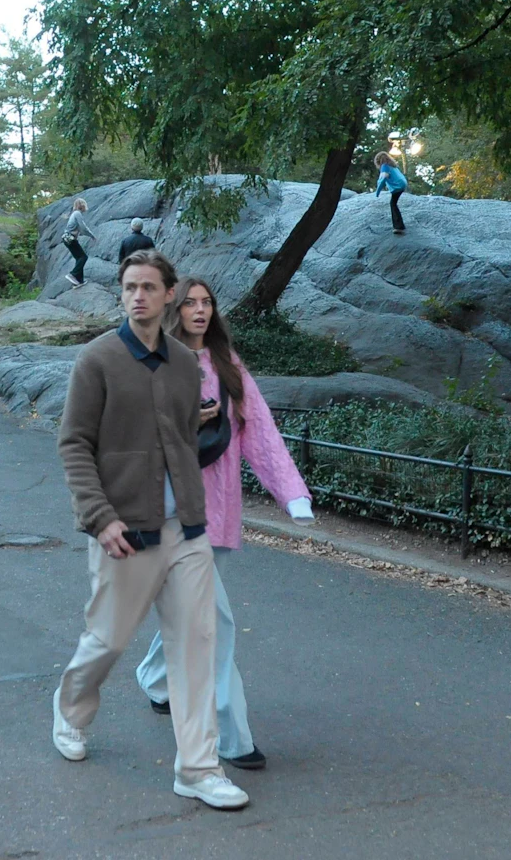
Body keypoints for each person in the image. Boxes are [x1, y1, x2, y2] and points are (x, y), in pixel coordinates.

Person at [51, 249, 248, 811]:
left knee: (196, 645)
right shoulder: (97, 360)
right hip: (124, 533)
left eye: (148, 287)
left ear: (168, 297)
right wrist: (100, 516)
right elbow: (74, 444)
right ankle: (70, 711)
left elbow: (184, 438)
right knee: (108, 640)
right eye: (129, 286)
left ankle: (198, 768)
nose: (138, 295)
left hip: (186, 531)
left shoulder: (188, 365)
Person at [134, 277, 315, 773]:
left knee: (192, 610)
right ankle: (232, 735)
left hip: (216, 512)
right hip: (168, 512)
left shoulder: (229, 367)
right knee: (216, 621)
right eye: (189, 302)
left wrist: (292, 493)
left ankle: (154, 678)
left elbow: (261, 434)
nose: (198, 310)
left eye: (206, 302)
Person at [62, 197, 94, 286]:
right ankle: (72, 274)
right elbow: (83, 228)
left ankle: (79, 281)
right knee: (84, 257)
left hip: (67, 238)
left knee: (79, 258)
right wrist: (92, 236)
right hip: (70, 238)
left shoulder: (74, 214)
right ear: (82, 205)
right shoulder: (77, 214)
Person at [373, 152, 408, 234]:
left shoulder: (384, 166)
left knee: (393, 204)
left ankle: (399, 226)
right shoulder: (392, 166)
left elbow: (382, 179)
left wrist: (377, 192)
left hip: (397, 186)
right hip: (402, 184)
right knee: (393, 203)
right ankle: (400, 225)